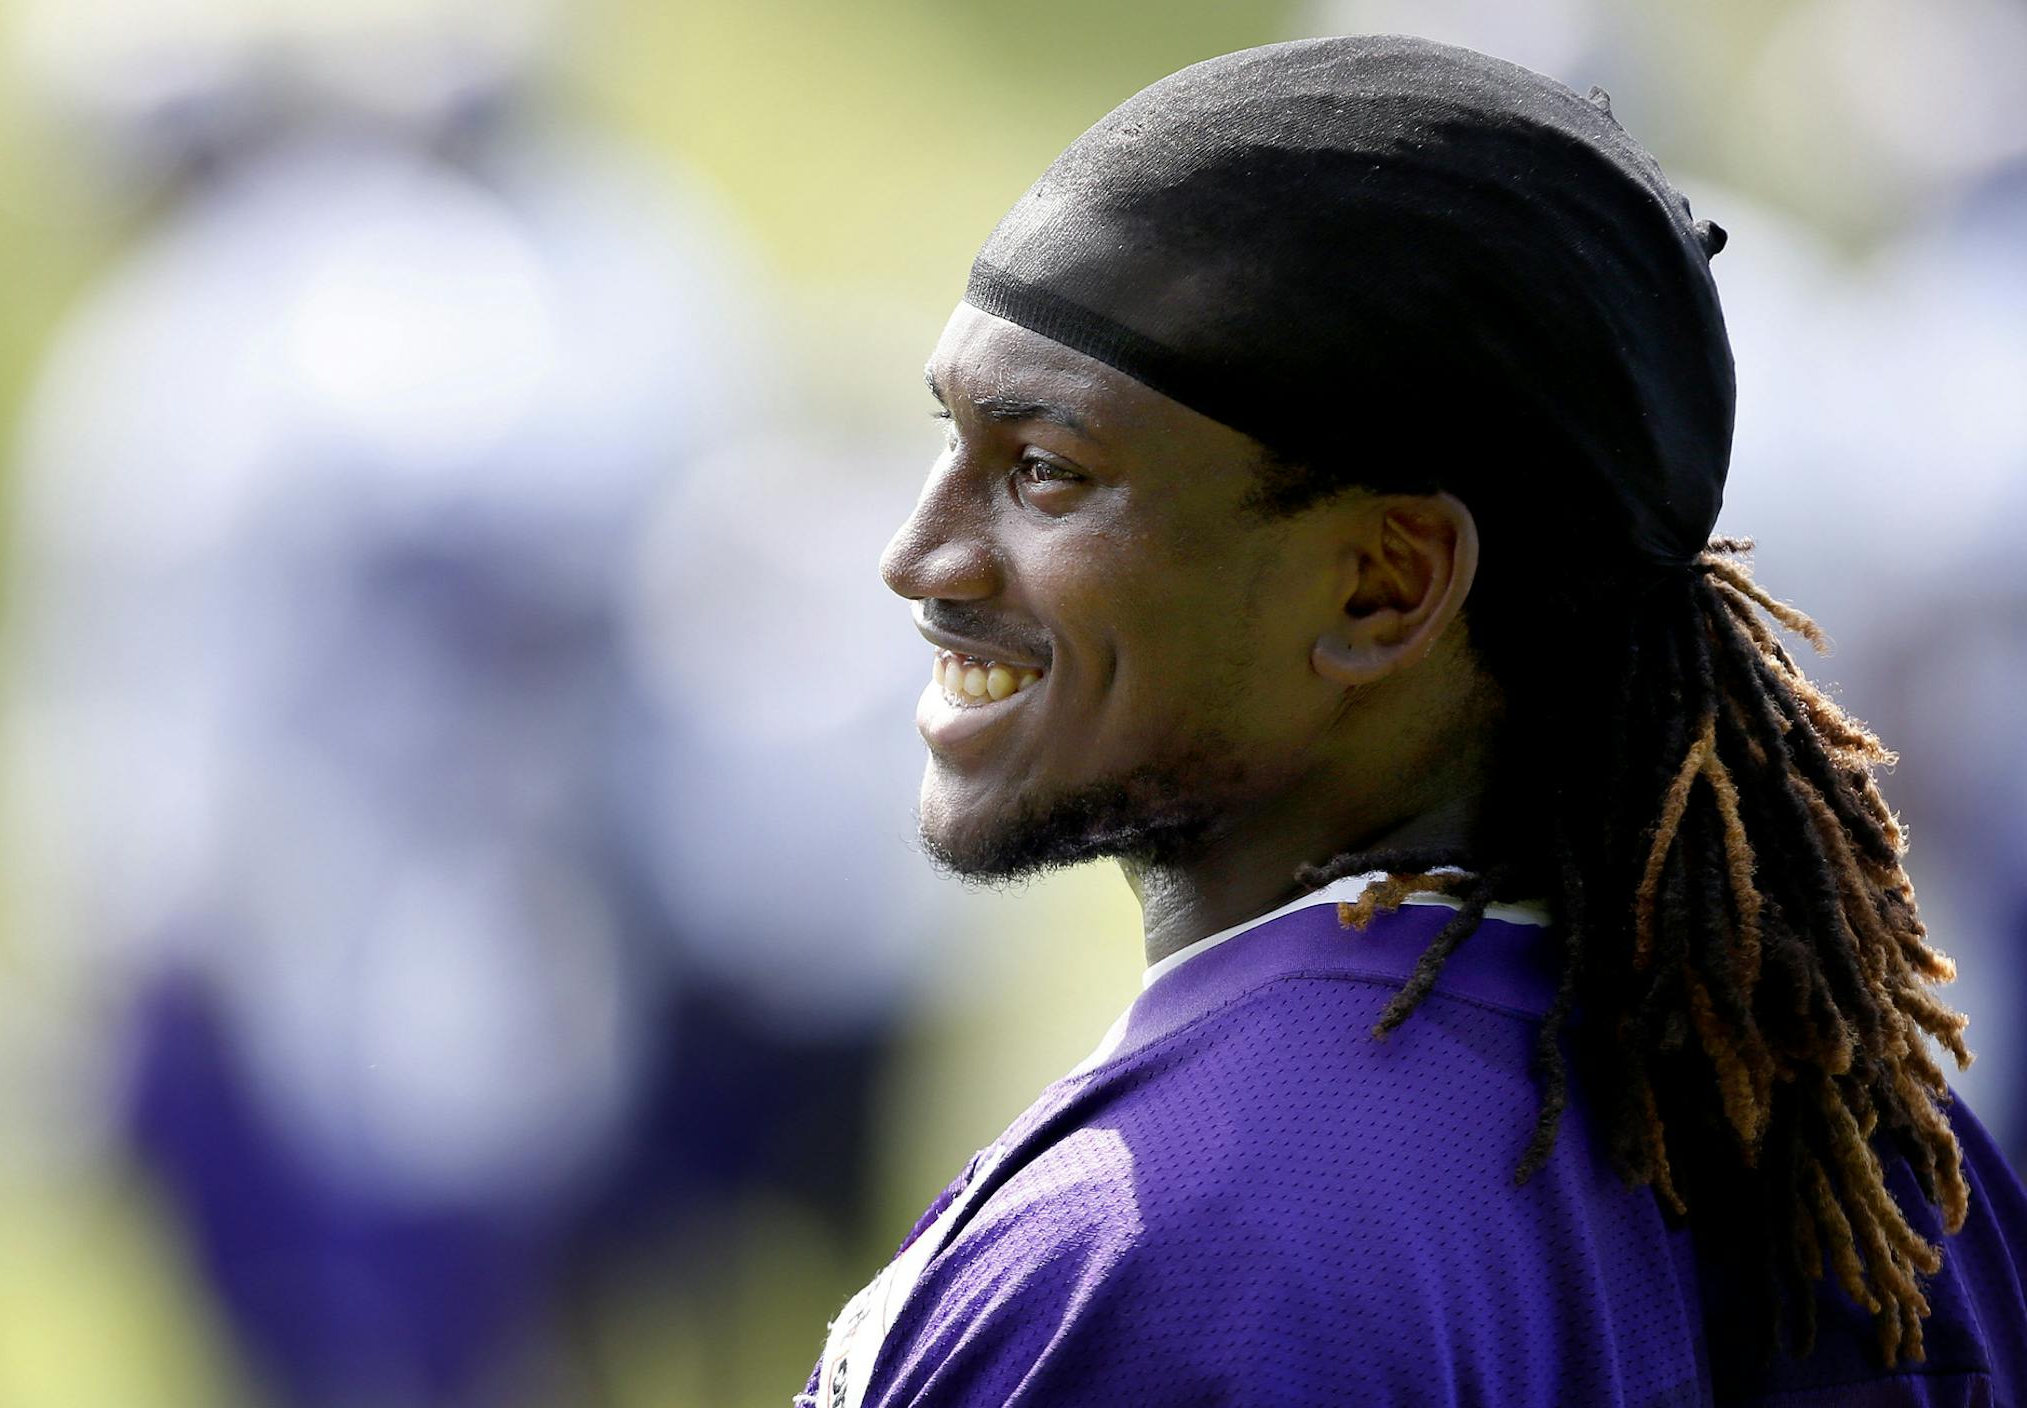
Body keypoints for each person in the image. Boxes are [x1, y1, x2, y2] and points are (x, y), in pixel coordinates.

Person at [797, 34, 2027, 1408]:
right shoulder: (1896, 1182)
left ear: (1388, 585)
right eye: (944, 439)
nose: (919, 554)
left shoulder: (1183, 1255)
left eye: (1043, 471)